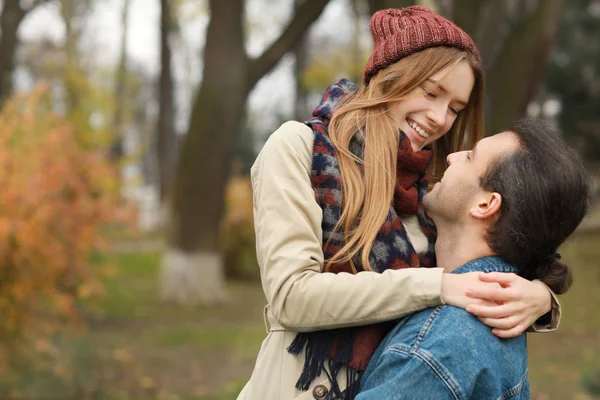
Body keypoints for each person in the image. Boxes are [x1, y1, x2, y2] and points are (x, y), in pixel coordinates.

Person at [238, 6, 559, 400]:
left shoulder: (429, 191)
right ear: (391, 75)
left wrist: (541, 298)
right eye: (431, 93)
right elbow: (291, 296)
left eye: (455, 108)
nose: (440, 118)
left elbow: (493, 246)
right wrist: (437, 286)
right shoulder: (300, 150)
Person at [357, 118, 593, 400]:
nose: (451, 156)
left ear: (485, 205)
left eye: (470, 157)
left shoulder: (434, 349)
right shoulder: (500, 311)